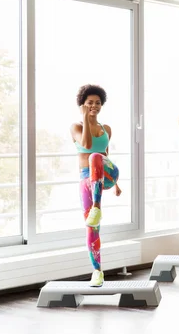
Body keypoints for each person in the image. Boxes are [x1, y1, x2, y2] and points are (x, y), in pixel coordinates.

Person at [70, 84, 121, 287]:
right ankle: (97, 272)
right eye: (90, 103)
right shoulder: (76, 127)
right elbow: (86, 143)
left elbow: (102, 155)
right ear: (82, 104)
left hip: (107, 174)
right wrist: (85, 118)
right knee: (91, 227)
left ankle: (97, 208)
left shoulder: (106, 129)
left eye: (98, 103)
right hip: (87, 179)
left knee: (95, 157)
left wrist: (116, 183)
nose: (94, 106)